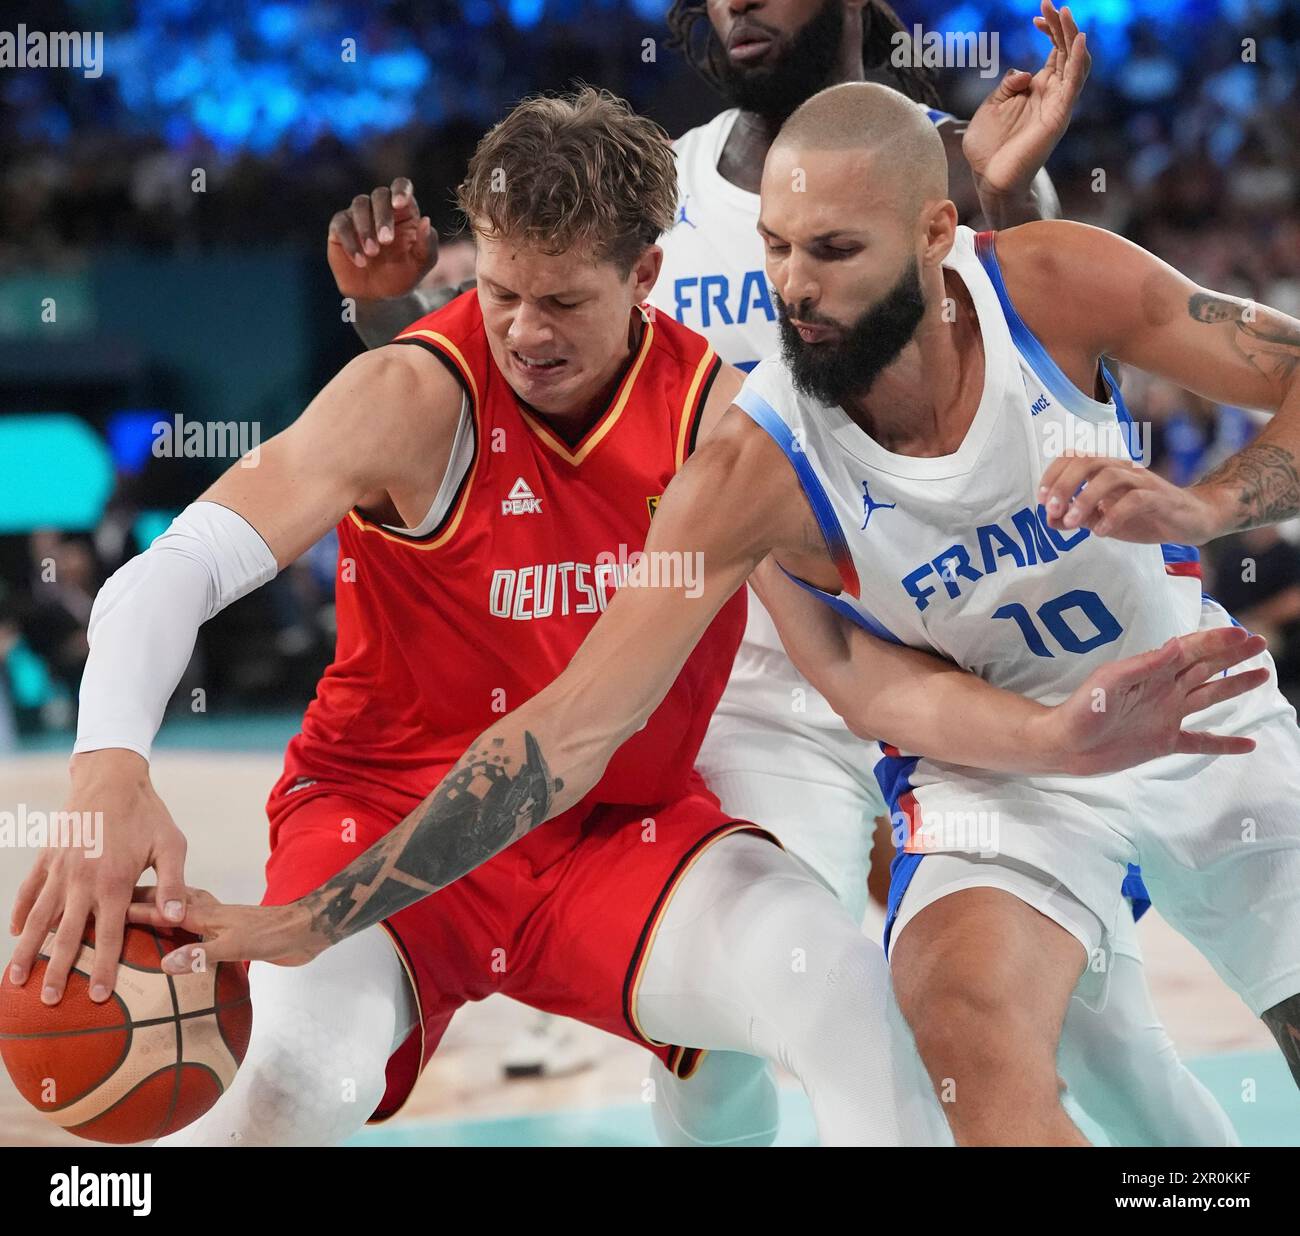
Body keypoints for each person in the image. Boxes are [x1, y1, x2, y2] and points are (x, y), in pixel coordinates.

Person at [127, 84, 1294, 1148]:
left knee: (1128, 1052)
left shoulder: (1049, 283)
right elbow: (589, 725)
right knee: (961, 1044)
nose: (793, 288)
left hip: (1193, 696)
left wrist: (1205, 506)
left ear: (939, 234)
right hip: (993, 762)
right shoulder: (749, 457)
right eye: (778, 250)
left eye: (832, 251)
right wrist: (313, 910)